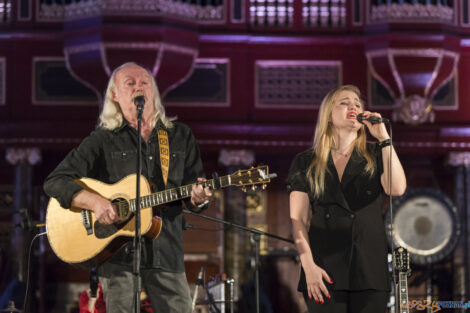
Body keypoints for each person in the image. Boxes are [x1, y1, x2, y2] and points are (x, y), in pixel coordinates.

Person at [44, 62, 212, 313]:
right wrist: (95, 202)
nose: (138, 88)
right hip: (117, 256)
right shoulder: (103, 139)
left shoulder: (180, 135)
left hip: (166, 251)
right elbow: (55, 181)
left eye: (145, 83)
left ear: (153, 91)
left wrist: (199, 198)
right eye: (130, 83)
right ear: (115, 95)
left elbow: (194, 192)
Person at [287, 85, 406, 313]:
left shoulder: (375, 153)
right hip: (323, 269)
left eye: (357, 103)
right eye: (345, 102)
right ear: (329, 115)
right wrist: (308, 265)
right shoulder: (305, 162)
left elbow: (397, 188)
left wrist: (383, 138)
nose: (353, 106)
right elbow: (298, 220)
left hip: (369, 268)